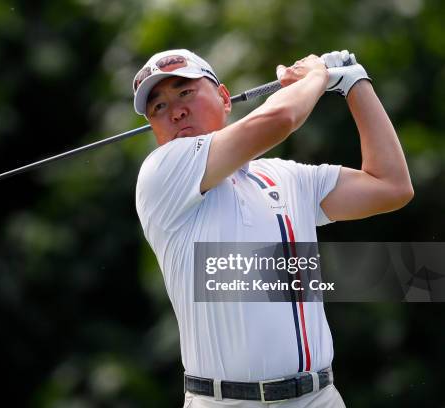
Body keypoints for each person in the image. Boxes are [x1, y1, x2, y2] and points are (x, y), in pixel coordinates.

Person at [133, 49, 413, 407]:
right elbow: (281, 116)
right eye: (158, 107)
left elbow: (391, 186)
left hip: (319, 398)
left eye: (185, 92)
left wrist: (355, 83)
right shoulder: (162, 174)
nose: (176, 111)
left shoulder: (283, 177)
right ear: (154, 129)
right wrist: (317, 77)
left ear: (223, 98)